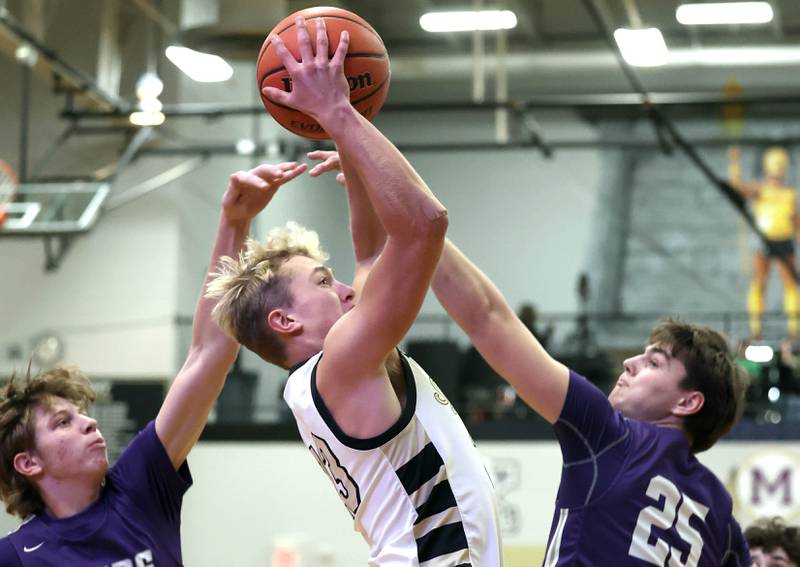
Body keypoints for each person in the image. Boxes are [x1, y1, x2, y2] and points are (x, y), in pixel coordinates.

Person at [311, 151, 752, 564]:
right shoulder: (722, 518)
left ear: (688, 402)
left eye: (654, 363)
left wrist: (401, 202)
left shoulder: (613, 438)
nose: (629, 363)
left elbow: (486, 316)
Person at [206, 17, 501, 566]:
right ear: (285, 321)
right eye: (323, 282)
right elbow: (425, 226)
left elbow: (370, 257)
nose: (343, 289)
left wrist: (354, 151)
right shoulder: (341, 362)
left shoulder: (332, 370)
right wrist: (339, 113)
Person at [0, 160, 307, 565]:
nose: (88, 423)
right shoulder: (16, 556)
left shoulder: (139, 486)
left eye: (80, 415)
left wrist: (234, 222)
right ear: (28, 462)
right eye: (62, 423)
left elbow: (210, 352)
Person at [729, 145, 799, 340]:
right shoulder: (761, 189)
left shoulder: (789, 193)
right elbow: (737, 189)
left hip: (784, 240)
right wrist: (735, 163)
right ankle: (756, 328)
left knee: (790, 284)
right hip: (764, 240)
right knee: (760, 282)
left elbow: (795, 220)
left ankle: (794, 329)